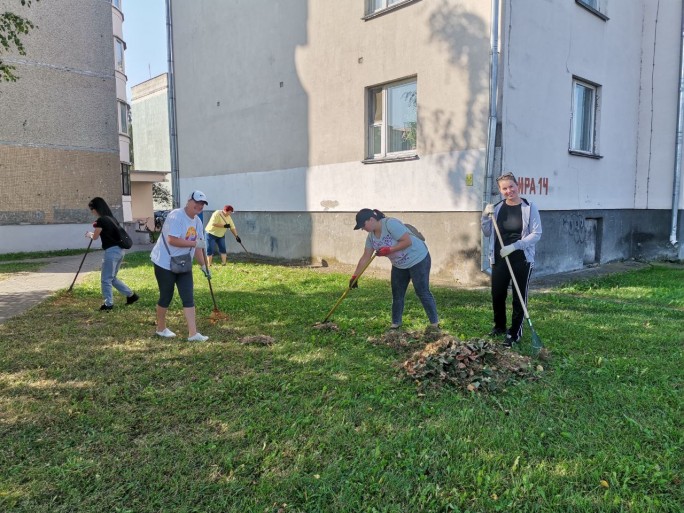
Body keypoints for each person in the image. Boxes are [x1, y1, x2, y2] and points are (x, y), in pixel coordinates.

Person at [481, 172, 542, 347]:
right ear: (500, 191)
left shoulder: (529, 207)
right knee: (497, 294)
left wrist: (515, 246)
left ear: (518, 186)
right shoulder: (498, 208)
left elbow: (537, 234)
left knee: (518, 297)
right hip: (500, 258)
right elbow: (486, 233)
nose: (509, 191)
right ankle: (499, 326)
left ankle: (514, 332)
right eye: (504, 188)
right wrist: (485, 216)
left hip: (521, 259)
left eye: (511, 186)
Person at [351, 208, 439, 330]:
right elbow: (366, 257)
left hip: (418, 258)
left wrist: (389, 250)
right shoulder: (371, 237)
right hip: (399, 264)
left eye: (363, 225)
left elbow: (407, 241)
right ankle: (396, 324)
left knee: (422, 291)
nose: (362, 229)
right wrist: (355, 276)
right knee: (397, 294)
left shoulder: (390, 224)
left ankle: (434, 323)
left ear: (371, 219)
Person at [149, 190, 212, 342]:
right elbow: (172, 240)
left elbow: (198, 247)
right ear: (189, 201)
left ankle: (193, 333)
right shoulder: (176, 216)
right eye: (197, 202)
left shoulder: (197, 221)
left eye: (202, 204)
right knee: (166, 295)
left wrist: (204, 266)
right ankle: (161, 328)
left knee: (188, 296)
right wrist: (195, 243)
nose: (199, 206)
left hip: (183, 263)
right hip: (164, 262)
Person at [86, 197, 139, 311]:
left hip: (111, 252)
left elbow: (95, 237)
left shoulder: (101, 220)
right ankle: (131, 296)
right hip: (120, 251)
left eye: (92, 209)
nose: (92, 211)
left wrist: (89, 234)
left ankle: (108, 304)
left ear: (97, 208)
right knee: (112, 278)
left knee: (106, 279)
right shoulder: (112, 219)